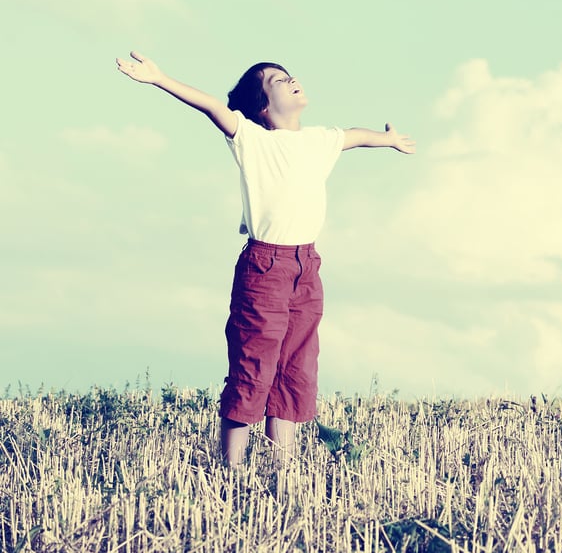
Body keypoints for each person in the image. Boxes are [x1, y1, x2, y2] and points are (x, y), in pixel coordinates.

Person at [115, 50, 415, 466]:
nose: (291, 80)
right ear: (262, 106)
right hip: (265, 268)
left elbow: (355, 135)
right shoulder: (253, 140)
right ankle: (231, 469)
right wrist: (160, 78)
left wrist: (389, 140)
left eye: (290, 75)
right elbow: (212, 106)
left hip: (307, 268)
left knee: (296, 369)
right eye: (277, 80)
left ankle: (281, 468)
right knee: (253, 366)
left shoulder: (319, 140)